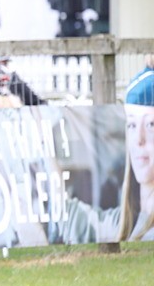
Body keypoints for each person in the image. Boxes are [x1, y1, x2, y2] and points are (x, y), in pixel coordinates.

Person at [51, 68, 154, 243]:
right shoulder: (121, 223)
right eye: (132, 125)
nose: (139, 140)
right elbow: (74, 219)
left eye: (151, 124)